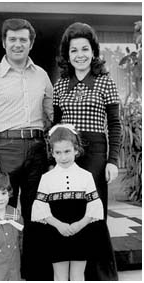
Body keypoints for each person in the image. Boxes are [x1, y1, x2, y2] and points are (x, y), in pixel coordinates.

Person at [0, 18, 53, 279]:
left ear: (30, 44)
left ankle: (35, 275)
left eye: (23, 39)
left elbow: (51, 114)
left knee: (37, 216)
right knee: (2, 219)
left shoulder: (42, 75)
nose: (17, 44)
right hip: (4, 149)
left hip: (36, 149)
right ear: (4, 42)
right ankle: (3, 277)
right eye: (12, 39)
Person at [53, 22, 121, 280]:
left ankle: (101, 275)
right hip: (67, 153)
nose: (79, 54)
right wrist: (55, 160)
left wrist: (112, 160)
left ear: (93, 51)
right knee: (70, 210)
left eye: (85, 48)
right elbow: (56, 127)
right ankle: (74, 274)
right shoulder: (60, 85)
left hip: (95, 153)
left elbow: (115, 125)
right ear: (67, 55)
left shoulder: (105, 82)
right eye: (73, 50)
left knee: (94, 211)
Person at [28, 124, 118, 281]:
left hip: (81, 231)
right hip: (56, 232)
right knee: (60, 275)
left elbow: (94, 206)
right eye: (58, 152)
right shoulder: (47, 178)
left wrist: (79, 225)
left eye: (67, 151)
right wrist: (59, 225)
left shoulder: (86, 176)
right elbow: (40, 208)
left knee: (78, 275)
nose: (63, 157)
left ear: (76, 150)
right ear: (52, 153)